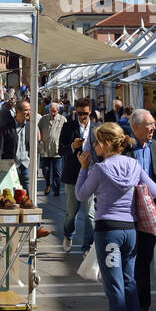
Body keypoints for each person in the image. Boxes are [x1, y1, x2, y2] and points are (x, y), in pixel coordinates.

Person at [76, 122, 156, 311]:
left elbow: (81, 194)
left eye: (96, 142)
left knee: (114, 286)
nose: (93, 146)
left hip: (108, 230)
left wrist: (83, 168)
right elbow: (155, 190)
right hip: (130, 230)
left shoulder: (100, 169)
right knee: (129, 283)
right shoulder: (133, 164)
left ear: (106, 143)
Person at [126, 108, 156, 311]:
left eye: (153, 125)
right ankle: (128, 301)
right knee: (129, 259)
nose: (153, 128)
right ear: (135, 128)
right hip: (128, 211)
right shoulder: (125, 147)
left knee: (144, 259)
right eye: (149, 125)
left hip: (150, 209)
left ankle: (143, 306)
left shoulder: (155, 146)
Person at [60, 99, 96, 253]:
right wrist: (72, 146)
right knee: (71, 213)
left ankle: (87, 246)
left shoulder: (96, 129)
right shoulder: (68, 127)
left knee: (90, 215)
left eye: (85, 114)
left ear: (90, 112)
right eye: (79, 113)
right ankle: (68, 235)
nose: (82, 117)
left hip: (91, 175)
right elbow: (60, 150)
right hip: (72, 175)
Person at [37, 102, 66, 196]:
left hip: (57, 150)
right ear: (48, 110)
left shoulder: (62, 119)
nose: (52, 113)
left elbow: (66, 133)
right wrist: (39, 141)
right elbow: (37, 130)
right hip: (45, 149)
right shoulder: (43, 119)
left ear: (58, 111)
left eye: (54, 111)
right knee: (45, 169)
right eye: (51, 111)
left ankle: (56, 189)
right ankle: (47, 185)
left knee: (57, 171)